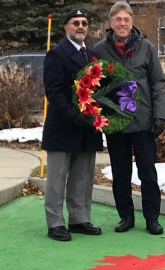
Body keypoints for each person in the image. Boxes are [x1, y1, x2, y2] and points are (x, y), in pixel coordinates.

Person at [94, 2, 165, 235]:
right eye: (118, 19)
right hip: (115, 124)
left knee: (148, 173)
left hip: (143, 122)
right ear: (111, 22)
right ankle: (125, 216)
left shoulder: (146, 48)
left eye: (126, 19)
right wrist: (98, 117)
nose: (122, 23)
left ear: (132, 22)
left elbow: (157, 83)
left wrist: (160, 116)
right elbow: (93, 87)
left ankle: (152, 218)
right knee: (120, 173)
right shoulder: (99, 51)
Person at [42, 10, 103, 241]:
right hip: (63, 126)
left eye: (84, 23)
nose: (81, 26)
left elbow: (100, 90)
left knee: (82, 177)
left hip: (87, 128)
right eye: (75, 23)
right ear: (65, 27)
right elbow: (54, 93)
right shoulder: (57, 54)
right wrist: (75, 116)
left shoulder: (93, 55)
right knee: (58, 178)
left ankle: (79, 219)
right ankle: (55, 222)